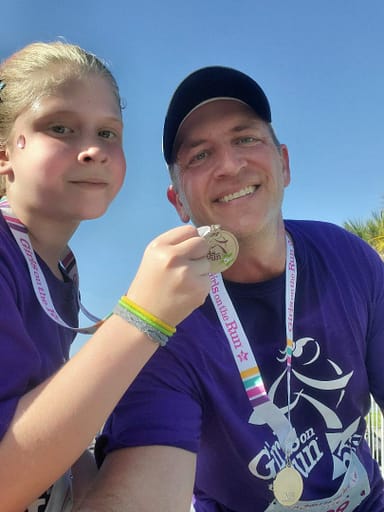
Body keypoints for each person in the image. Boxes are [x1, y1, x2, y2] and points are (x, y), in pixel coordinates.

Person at [76, 66, 384, 512]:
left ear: (284, 163)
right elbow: (142, 489)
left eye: (246, 139)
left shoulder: (348, 258)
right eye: (199, 156)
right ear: (178, 200)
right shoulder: (165, 321)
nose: (229, 165)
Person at [0, 42, 212, 512]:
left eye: (108, 132)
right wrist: (141, 317)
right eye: (60, 128)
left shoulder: (60, 268)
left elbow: (51, 415)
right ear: (3, 155)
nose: (93, 149)